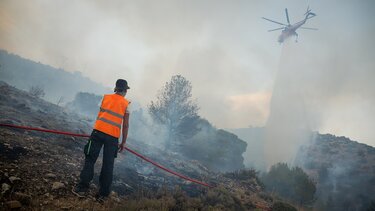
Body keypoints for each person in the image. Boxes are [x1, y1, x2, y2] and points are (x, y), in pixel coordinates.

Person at [74, 79, 130, 201]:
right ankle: (103, 194)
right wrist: (123, 142)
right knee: (108, 165)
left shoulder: (105, 98)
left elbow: (100, 114)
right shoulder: (126, 104)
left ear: (115, 89)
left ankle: (82, 187)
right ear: (125, 91)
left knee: (90, 159)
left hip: (98, 132)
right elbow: (125, 125)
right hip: (113, 137)